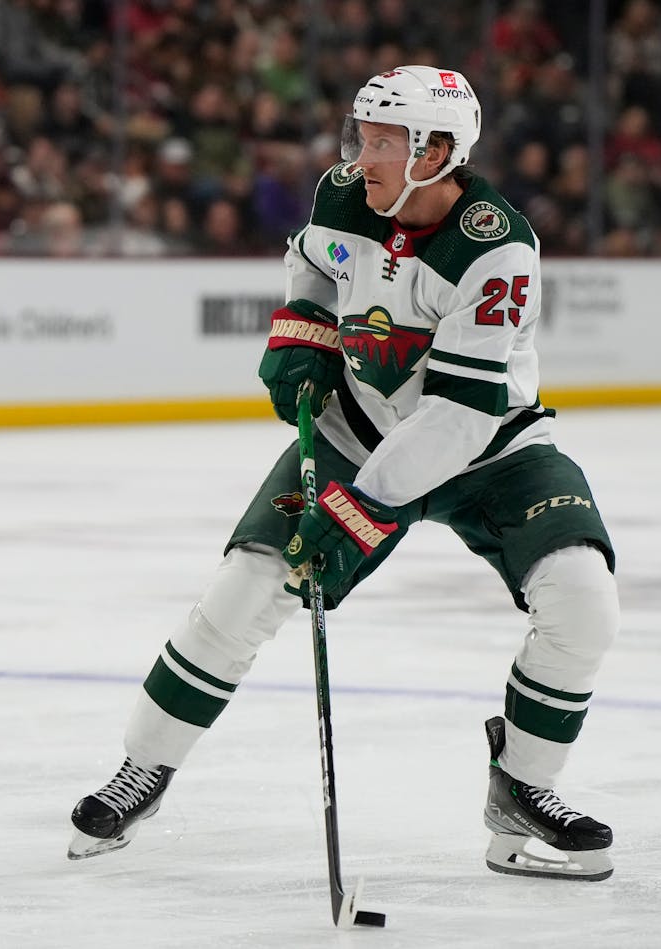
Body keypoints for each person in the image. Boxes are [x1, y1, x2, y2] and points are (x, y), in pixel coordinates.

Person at [70, 66, 621, 881]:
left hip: (491, 447)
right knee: (246, 589)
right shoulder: (343, 193)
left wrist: (358, 510)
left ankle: (524, 786)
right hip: (355, 430)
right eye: (361, 136)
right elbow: (317, 266)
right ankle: (144, 766)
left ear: (437, 152)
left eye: (382, 142)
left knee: (582, 598)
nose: (361, 157)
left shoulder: (497, 249)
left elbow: (459, 417)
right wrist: (304, 333)